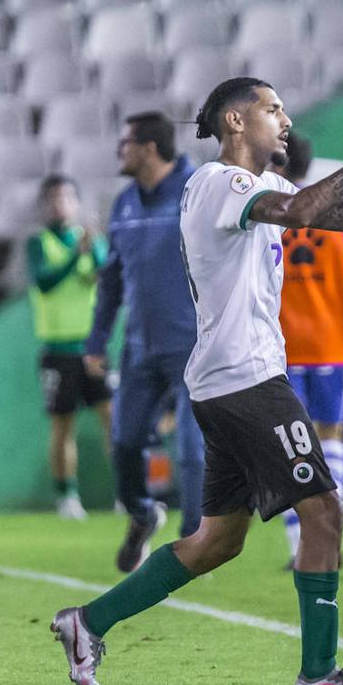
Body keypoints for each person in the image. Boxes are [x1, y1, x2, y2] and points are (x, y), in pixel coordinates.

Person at [52, 78, 343, 685]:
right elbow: (305, 212)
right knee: (325, 511)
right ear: (235, 120)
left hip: (229, 379)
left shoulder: (263, 187)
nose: (285, 116)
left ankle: (88, 623)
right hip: (244, 378)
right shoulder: (220, 183)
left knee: (217, 540)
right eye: (272, 108)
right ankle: (319, 672)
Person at [84, 112, 202, 571]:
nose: (120, 152)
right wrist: (97, 340)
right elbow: (111, 280)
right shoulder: (124, 204)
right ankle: (141, 513)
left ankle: (194, 547)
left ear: (149, 148)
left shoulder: (198, 191)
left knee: (194, 449)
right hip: (139, 348)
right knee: (125, 441)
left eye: (125, 143)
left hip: (195, 345)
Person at [271, 131, 343, 565]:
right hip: (332, 344)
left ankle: (301, 545)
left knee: (291, 447)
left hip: (283, 347)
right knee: (331, 438)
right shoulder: (338, 213)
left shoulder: (268, 211)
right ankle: (329, 536)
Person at [26, 176, 112, 520]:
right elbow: (44, 281)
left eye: (66, 197)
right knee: (63, 426)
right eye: (53, 198)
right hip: (57, 348)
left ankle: (128, 493)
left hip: (93, 348)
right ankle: (66, 495)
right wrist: (77, 255)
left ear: (76, 204)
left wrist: (96, 249)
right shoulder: (38, 243)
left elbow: (105, 275)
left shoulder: (91, 241)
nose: (60, 204)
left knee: (113, 421)